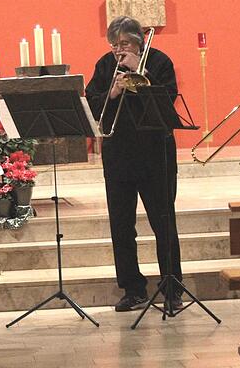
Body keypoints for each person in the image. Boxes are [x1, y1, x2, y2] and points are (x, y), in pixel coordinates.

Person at [85, 16, 183, 311]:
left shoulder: (160, 61)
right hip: (118, 155)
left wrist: (140, 74)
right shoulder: (104, 65)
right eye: (114, 44)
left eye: (124, 43)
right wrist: (111, 93)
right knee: (122, 226)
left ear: (138, 42)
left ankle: (172, 288)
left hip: (156, 154)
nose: (118, 50)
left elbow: (169, 99)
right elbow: (91, 101)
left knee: (163, 223)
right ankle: (132, 288)